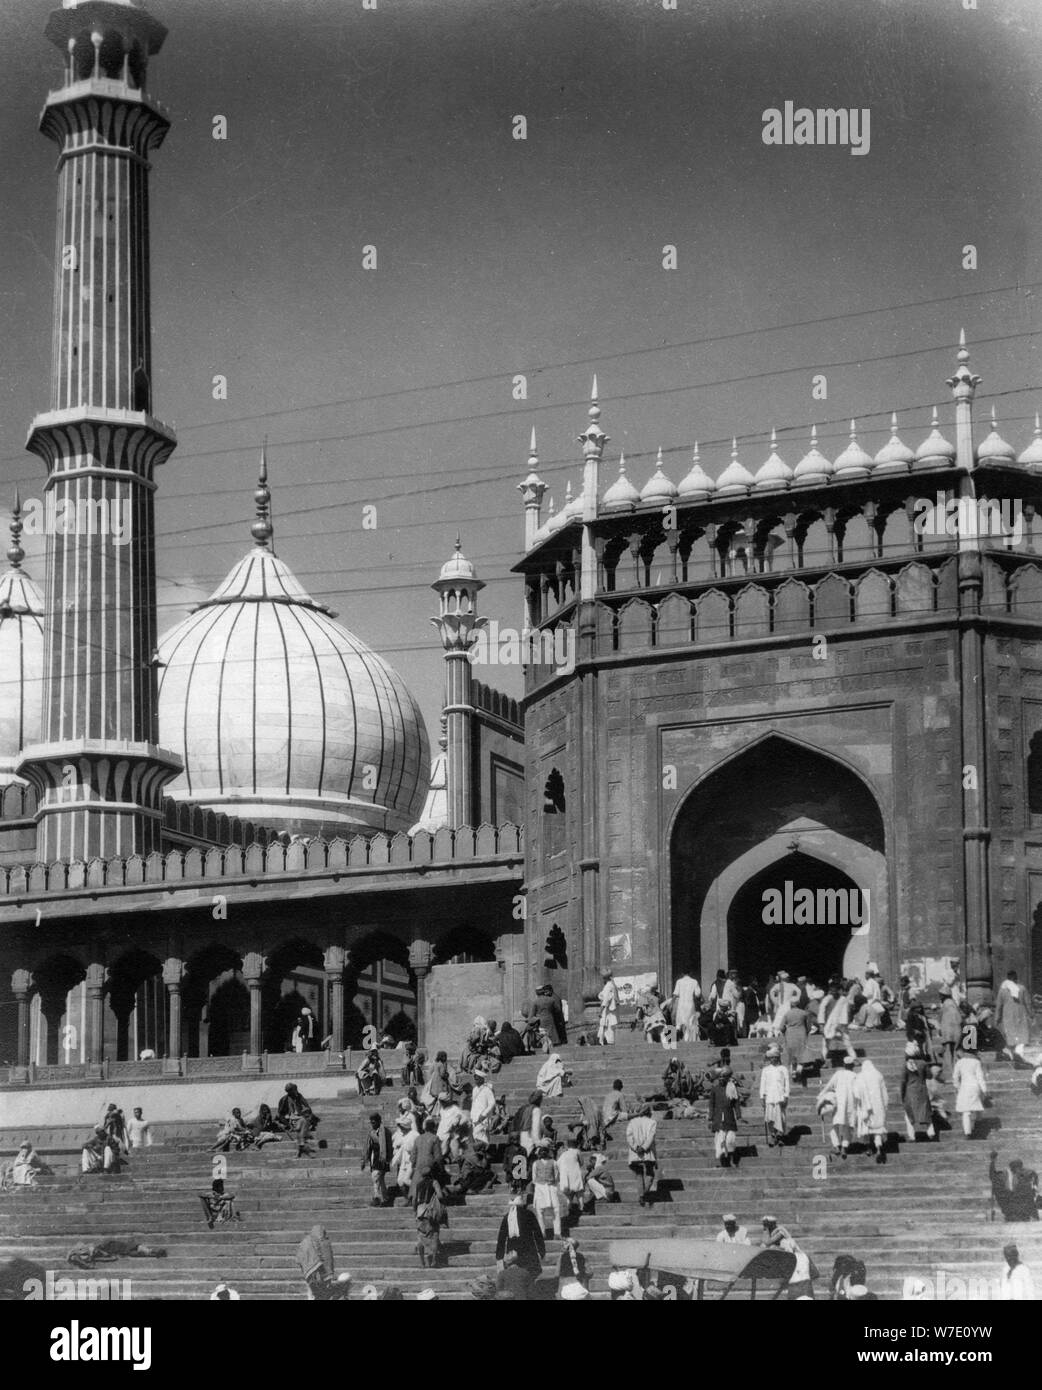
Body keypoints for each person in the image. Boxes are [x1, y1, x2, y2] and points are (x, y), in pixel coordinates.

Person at [495, 1193, 546, 1293]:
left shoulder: (507, 1217)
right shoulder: (529, 1214)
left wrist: (499, 1256)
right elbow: (538, 1234)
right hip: (528, 1250)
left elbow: (501, 1238)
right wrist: (542, 1251)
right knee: (529, 1276)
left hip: (513, 1252)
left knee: (515, 1277)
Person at [817, 1054, 858, 1158]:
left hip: (839, 1103)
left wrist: (820, 1096)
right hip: (850, 1105)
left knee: (835, 1125)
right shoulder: (855, 1076)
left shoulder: (839, 1073)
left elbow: (829, 1086)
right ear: (852, 1065)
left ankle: (836, 1146)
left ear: (844, 1065)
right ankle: (844, 1147)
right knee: (848, 1127)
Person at [901, 1044, 936, 1143]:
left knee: (908, 1114)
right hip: (922, 1089)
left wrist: (902, 1093)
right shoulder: (923, 1063)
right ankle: (931, 1132)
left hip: (910, 1091)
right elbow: (929, 1076)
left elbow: (903, 1081)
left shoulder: (905, 1065)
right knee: (926, 1112)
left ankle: (912, 1136)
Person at [989, 1152, 1039, 1221]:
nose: (1017, 1170)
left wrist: (1034, 1188)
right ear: (1012, 1168)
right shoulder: (1005, 1175)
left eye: (1019, 1168)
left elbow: (1034, 1179)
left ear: (1021, 1167)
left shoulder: (1027, 1173)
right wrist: (993, 1162)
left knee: (1026, 1194)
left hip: (1022, 1204)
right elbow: (993, 1177)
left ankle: (1022, 1215)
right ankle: (1014, 1215)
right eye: (1015, 1168)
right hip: (1010, 1202)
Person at [708, 1065, 741, 1168]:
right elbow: (711, 1104)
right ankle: (723, 1161)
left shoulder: (732, 1088)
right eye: (720, 1077)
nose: (722, 1079)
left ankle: (730, 1159)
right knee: (720, 1140)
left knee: (730, 1139)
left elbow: (736, 1102)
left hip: (729, 1117)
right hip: (718, 1118)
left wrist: (738, 1114)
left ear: (727, 1078)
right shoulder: (714, 1089)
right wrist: (710, 1118)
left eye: (724, 1077)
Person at [951, 1046, 988, 1138]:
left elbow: (955, 1077)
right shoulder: (976, 1062)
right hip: (975, 1086)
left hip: (965, 1086)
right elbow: (980, 1077)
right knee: (977, 1105)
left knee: (966, 1111)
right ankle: (978, 1123)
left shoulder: (959, 1062)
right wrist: (984, 1089)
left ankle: (968, 1132)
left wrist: (958, 1087)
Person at [995, 971, 1032, 1062]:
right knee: (1021, 1038)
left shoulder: (1002, 990)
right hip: (1020, 1017)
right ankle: (1019, 1058)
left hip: (1008, 1017)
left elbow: (999, 1006)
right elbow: (1028, 1004)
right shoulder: (1022, 988)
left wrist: (997, 1019)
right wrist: (1032, 1015)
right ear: (1016, 979)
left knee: (1010, 1037)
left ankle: (1012, 1057)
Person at [414, 1171, 447, 1269]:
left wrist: (415, 1211)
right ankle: (433, 1261)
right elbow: (440, 1195)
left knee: (420, 1237)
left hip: (420, 1212)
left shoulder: (418, 1184)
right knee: (434, 1235)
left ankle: (422, 1263)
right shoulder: (434, 1182)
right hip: (430, 1211)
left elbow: (414, 1199)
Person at [627, 1103, 659, 1204]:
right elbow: (651, 1137)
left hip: (635, 1152)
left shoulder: (632, 1122)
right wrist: (644, 1147)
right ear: (649, 1112)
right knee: (650, 1173)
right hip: (647, 1152)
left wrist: (636, 1147)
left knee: (639, 1174)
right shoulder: (652, 1122)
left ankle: (641, 1195)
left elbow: (629, 1136)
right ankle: (644, 1193)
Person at [361, 1111, 393, 1207]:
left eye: (374, 1122)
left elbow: (389, 1147)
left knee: (375, 1177)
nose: (372, 1124)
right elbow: (368, 1147)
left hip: (382, 1159)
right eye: (371, 1122)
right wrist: (364, 1160)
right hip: (374, 1159)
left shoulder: (386, 1132)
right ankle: (386, 1198)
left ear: (379, 1121)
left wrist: (387, 1159)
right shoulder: (371, 1133)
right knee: (380, 1179)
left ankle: (377, 1198)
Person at [531, 1141, 562, 1239]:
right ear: (539, 1152)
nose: (543, 1152)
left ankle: (557, 1233)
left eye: (545, 1150)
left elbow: (557, 1176)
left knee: (556, 1210)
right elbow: (534, 1177)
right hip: (540, 1188)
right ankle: (542, 1232)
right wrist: (540, 1185)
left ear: (548, 1152)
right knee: (540, 1211)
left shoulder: (554, 1162)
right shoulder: (535, 1163)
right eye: (541, 1150)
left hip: (551, 1188)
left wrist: (551, 1183)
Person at [759, 1046, 789, 1148]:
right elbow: (762, 1084)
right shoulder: (766, 1070)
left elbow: (787, 1084)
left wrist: (786, 1096)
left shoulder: (783, 1069)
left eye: (775, 1057)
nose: (773, 1059)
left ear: (778, 1058)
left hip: (780, 1096)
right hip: (769, 1097)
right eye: (771, 1057)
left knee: (780, 1117)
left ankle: (780, 1136)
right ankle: (773, 1135)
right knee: (770, 1118)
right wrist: (762, 1097)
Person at [277, 1083, 319, 1156]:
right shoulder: (284, 1099)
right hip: (291, 1119)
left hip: (301, 1117)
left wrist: (305, 1112)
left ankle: (300, 1149)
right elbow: (280, 1114)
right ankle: (301, 1148)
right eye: (291, 1091)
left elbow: (307, 1107)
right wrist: (287, 1124)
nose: (294, 1092)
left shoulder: (299, 1096)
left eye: (294, 1090)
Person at [297, 1224, 335, 1298]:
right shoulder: (324, 1243)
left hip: (311, 1272)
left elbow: (299, 1258)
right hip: (321, 1274)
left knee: (313, 1292)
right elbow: (329, 1262)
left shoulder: (306, 1242)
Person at [557, 1134, 586, 1222]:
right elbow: (582, 1162)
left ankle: (569, 1209)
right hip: (575, 1173)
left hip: (566, 1176)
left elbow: (558, 1164)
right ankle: (581, 1208)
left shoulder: (564, 1154)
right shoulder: (577, 1151)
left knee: (568, 1195)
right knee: (579, 1193)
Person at [779, 999, 809, 1081]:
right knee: (801, 1051)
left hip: (790, 1034)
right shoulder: (803, 1013)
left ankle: (794, 1070)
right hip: (801, 1033)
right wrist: (807, 1031)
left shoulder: (787, 1014)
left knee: (792, 1053)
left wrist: (784, 1031)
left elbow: (781, 1027)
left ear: (790, 1005)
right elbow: (808, 1025)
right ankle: (799, 1068)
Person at [671, 970, 702, 1041]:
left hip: (681, 1004)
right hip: (690, 1003)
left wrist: (672, 1003)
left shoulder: (679, 981)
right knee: (690, 1021)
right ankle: (688, 1038)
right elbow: (698, 994)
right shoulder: (694, 981)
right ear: (690, 973)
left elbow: (675, 994)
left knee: (680, 1021)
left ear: (682, 973)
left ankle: (680, 1037)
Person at [938, 990, 962, 1074]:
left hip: (947, 1032)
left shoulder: (945, 1005)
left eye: (941, 995)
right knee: (954, 1051)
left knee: (948, 1052)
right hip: (956, 1031)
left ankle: (950, 1071)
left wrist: (940, 1030)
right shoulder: (954, 1004)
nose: (939, 997)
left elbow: (941, 1018)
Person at [470, 1068, 496, 1143]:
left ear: (482, 1079)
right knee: (478, 1137)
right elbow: (473, 1104)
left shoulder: (487, 1090)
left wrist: (483, 1114)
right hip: (475, 1117)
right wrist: (472, 1116)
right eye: (475, 1079)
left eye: (477, 1079)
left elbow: (492, 1103)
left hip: (483, 1118)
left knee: (479, 1136)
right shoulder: (474, 1089)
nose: (475, 1081)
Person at [597, 970, 620, 1045]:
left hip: (607, 1011)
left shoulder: (608, 986)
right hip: (610, 1010)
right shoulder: (612, 985)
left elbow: (606, 1000)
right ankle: (608, 1042)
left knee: (608, 1028)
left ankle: (609, 1044)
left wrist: (601, 1010)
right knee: (609, 1028)